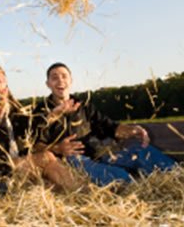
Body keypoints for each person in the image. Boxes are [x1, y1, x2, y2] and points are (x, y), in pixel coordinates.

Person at [33, 62, 175, 186]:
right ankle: (130, 185)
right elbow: (34, 146)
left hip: (101, 153)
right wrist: (58, 148)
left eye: (64, 76)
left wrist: (133, 130)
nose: (60, 80)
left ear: (71, 80)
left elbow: (109, 127)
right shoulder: (41, 112)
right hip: (71, 160)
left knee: (144, 151)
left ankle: (179, 175)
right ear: (48, 84)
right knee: (121, 178)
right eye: (54, 77)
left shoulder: (84, 106)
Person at [0, 62, 80, 192]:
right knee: (47, 157)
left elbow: (29, 127)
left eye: (1, 73)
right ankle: (81, 192)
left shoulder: (13, 108)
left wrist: (54, 114)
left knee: (50, 176)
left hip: (17, 165)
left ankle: (82, 194)